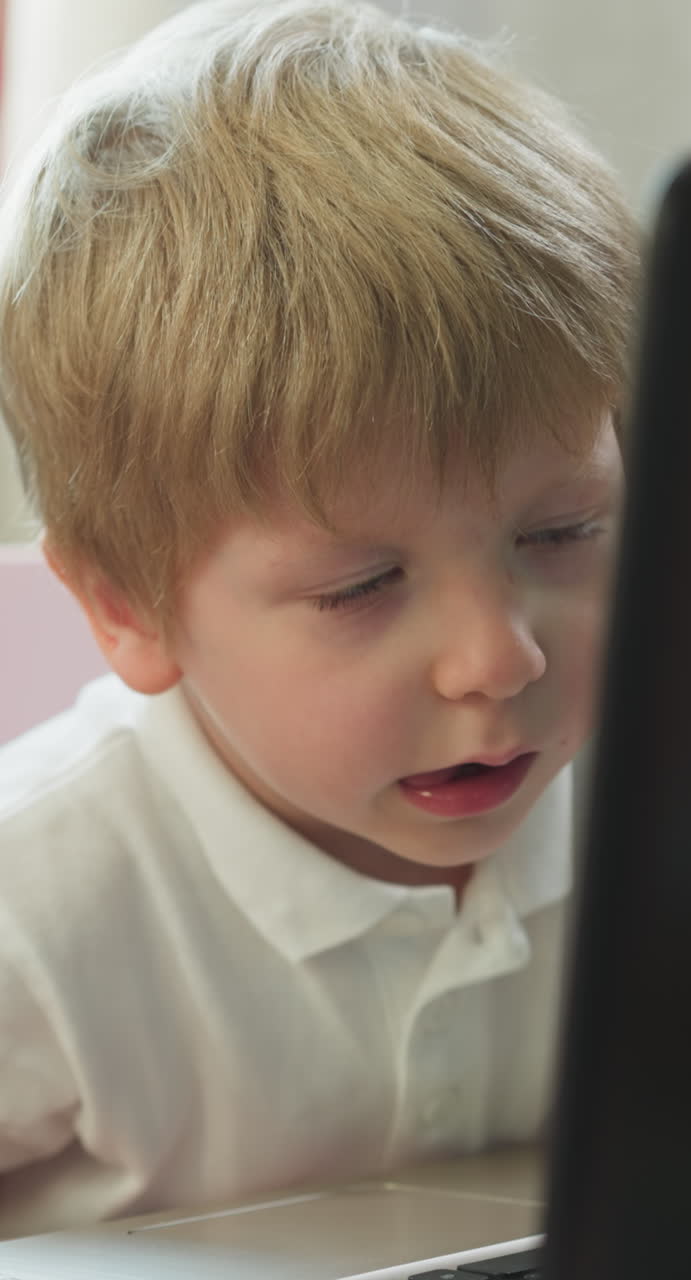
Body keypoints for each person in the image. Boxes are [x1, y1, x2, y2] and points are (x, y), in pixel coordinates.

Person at [0, 0, 637, 1238]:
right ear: (128, 609)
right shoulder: (38, 903)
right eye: (360, 586)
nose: (501, 654)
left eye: (562, 533)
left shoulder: (653, 812)